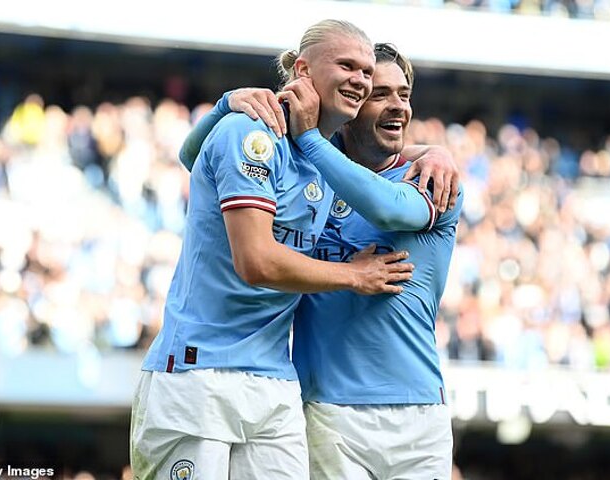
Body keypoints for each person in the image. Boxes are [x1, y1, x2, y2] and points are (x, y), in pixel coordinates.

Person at [131, 20, 426, 480]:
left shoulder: (325, 154)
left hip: (274, 379)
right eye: (347, 66)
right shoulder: (249, 131)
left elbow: (382, 151)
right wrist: (355, 275)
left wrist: (436, 153)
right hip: (199, 372)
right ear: (303, 70)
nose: (360, 80)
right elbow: (256, 261)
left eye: (367, 72)